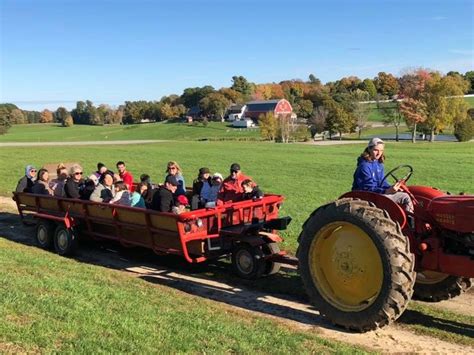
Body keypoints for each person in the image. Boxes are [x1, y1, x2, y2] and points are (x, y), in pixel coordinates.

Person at [352, 137, 414, 213]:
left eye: (381, 150)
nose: (379, 153)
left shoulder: (378, 164)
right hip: (367, 196)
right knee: (404, 197)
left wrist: (392, 187)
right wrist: (386, 191)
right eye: (376, 150)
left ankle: (410, 221)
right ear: (369, 149)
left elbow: (382, 182)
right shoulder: (364, 167)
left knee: (407, 195)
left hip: (377, 194)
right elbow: (367, 188)